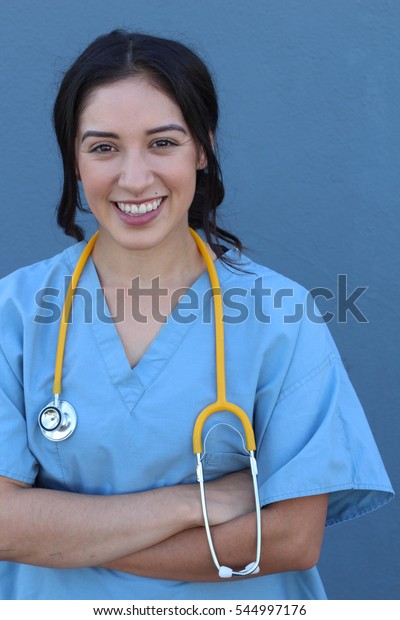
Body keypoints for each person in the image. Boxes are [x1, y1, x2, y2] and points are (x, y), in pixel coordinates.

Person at [0, 29, 393, 601]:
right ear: (75, 160)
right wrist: (203, 502)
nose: (134, 178)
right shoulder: (15, 312)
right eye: (103, 147)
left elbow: (289, 540)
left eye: (162, 143)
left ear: (202, 148)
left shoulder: (279, 317)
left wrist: (60, 536)